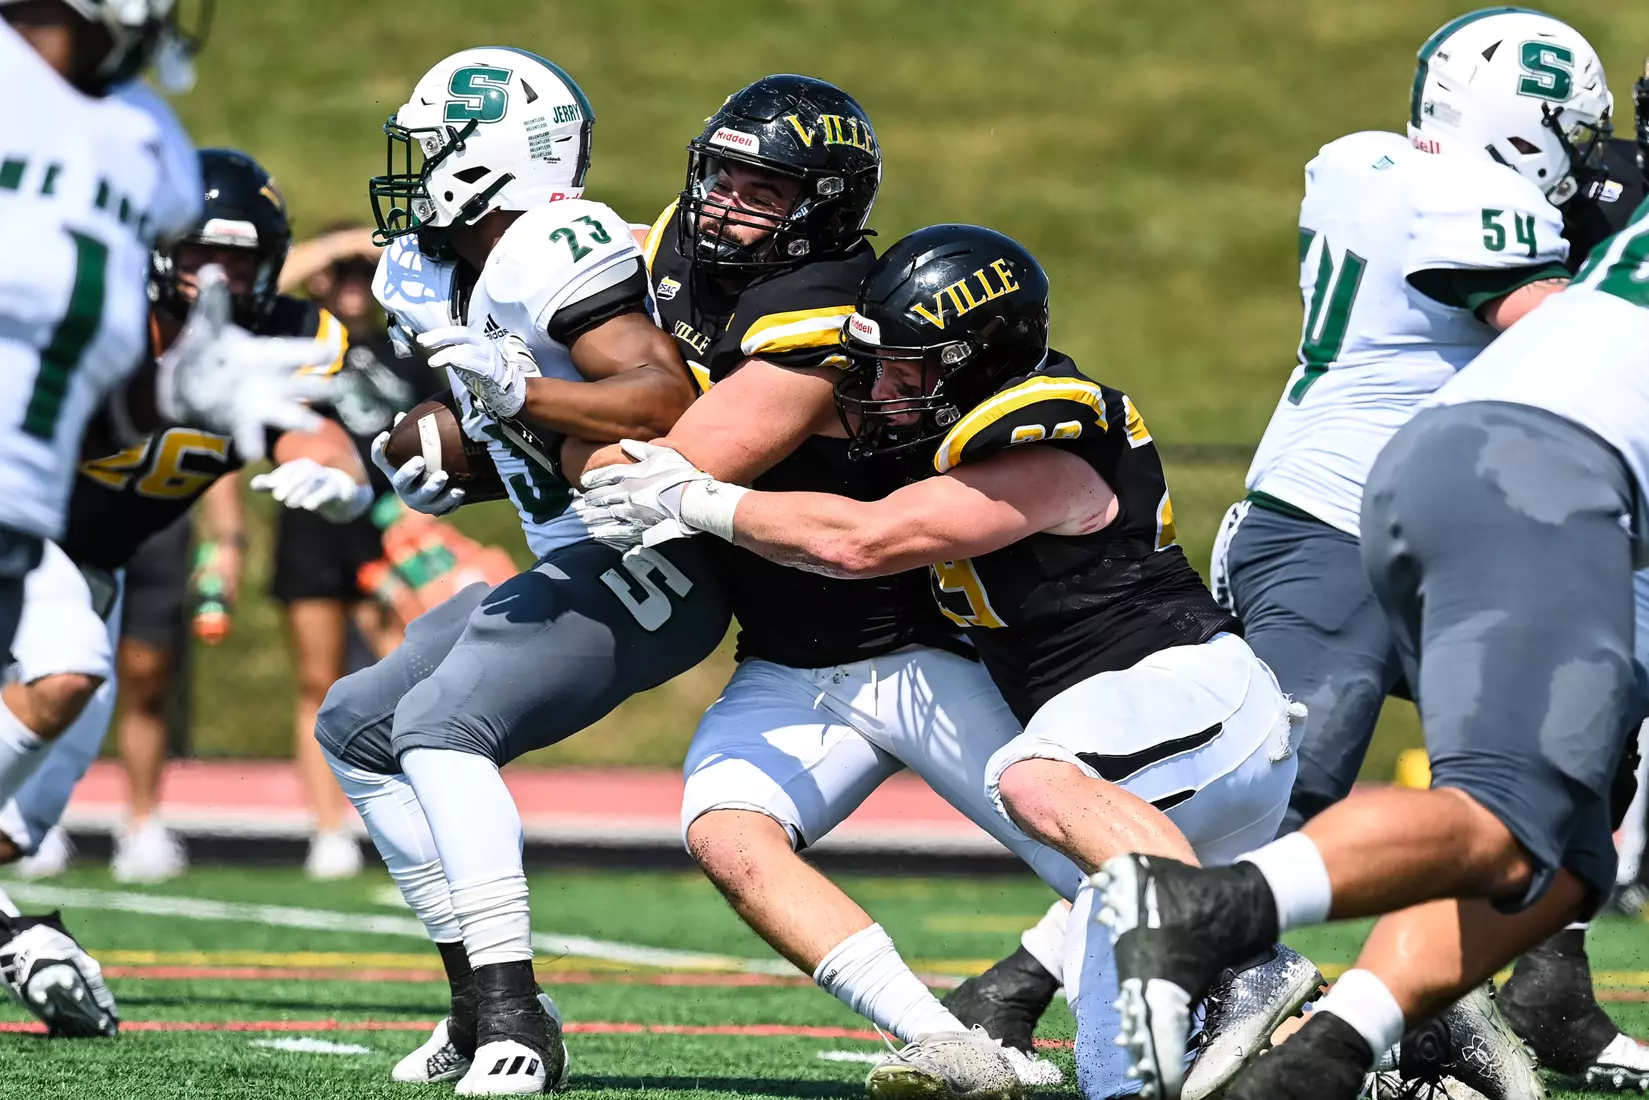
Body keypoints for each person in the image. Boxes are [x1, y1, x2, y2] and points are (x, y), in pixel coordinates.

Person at [948, 32, 1649, 1094]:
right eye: (1567, 132)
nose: (1582, 154)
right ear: (1517, 117)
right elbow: (1529, 317)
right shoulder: (1430, 186)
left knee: (1566, 767)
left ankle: (1509, 995)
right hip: (1344, 515)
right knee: (1282, 784)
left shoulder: (1384, 169)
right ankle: (1031, 980)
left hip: (1459, 513)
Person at [581, 223, 1314, 1100]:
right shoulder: (951, 419)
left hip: (1187, 695)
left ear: (976, 359)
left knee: (1031, 776)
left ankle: (1241, 961)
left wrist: (692, 497)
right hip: (1137, 764)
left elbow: (864, 543)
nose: (885, 386)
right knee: (1125, 1075)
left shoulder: (1050, 438)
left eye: (909, 366)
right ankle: (1403, 1048)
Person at [314, 48, 726, 1096]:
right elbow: (525, 432)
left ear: (494, 155)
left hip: (652, 555)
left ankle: (516, 1021)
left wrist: (511, 398)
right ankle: (477, 1001)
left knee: (441, 725)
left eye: (436, 145)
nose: (413, 169)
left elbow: (656, 404)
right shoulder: (422, 267)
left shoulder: (552, 243)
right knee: (356, 725)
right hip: (570, 547)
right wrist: (452, 462)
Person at [0, 144, 373, 1039]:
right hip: (25, 532)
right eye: (204, 254)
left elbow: (313, 434)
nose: (219, 278)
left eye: (240, 259)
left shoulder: (290, 332)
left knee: (23, 814)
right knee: (67, 671)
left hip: (97, 565)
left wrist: (341, 477)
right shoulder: (101, 320)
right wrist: (171, 393)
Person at [0, 0, 334, 672]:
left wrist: (161, 396)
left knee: (64, 681)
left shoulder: (150, 139)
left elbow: (82, 411)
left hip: (26, 494)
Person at [271, 222, 426, 881]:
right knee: (317, 678)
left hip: (389, 524)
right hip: (311, 525)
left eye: (364, 273)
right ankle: (327, 827)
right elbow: (266, 283)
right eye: (340, 273)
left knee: (401, 681)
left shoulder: (405, 346)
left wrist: (379, 258)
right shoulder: (296, 344)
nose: (351, 285)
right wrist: (335, 248)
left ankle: (406, 821)